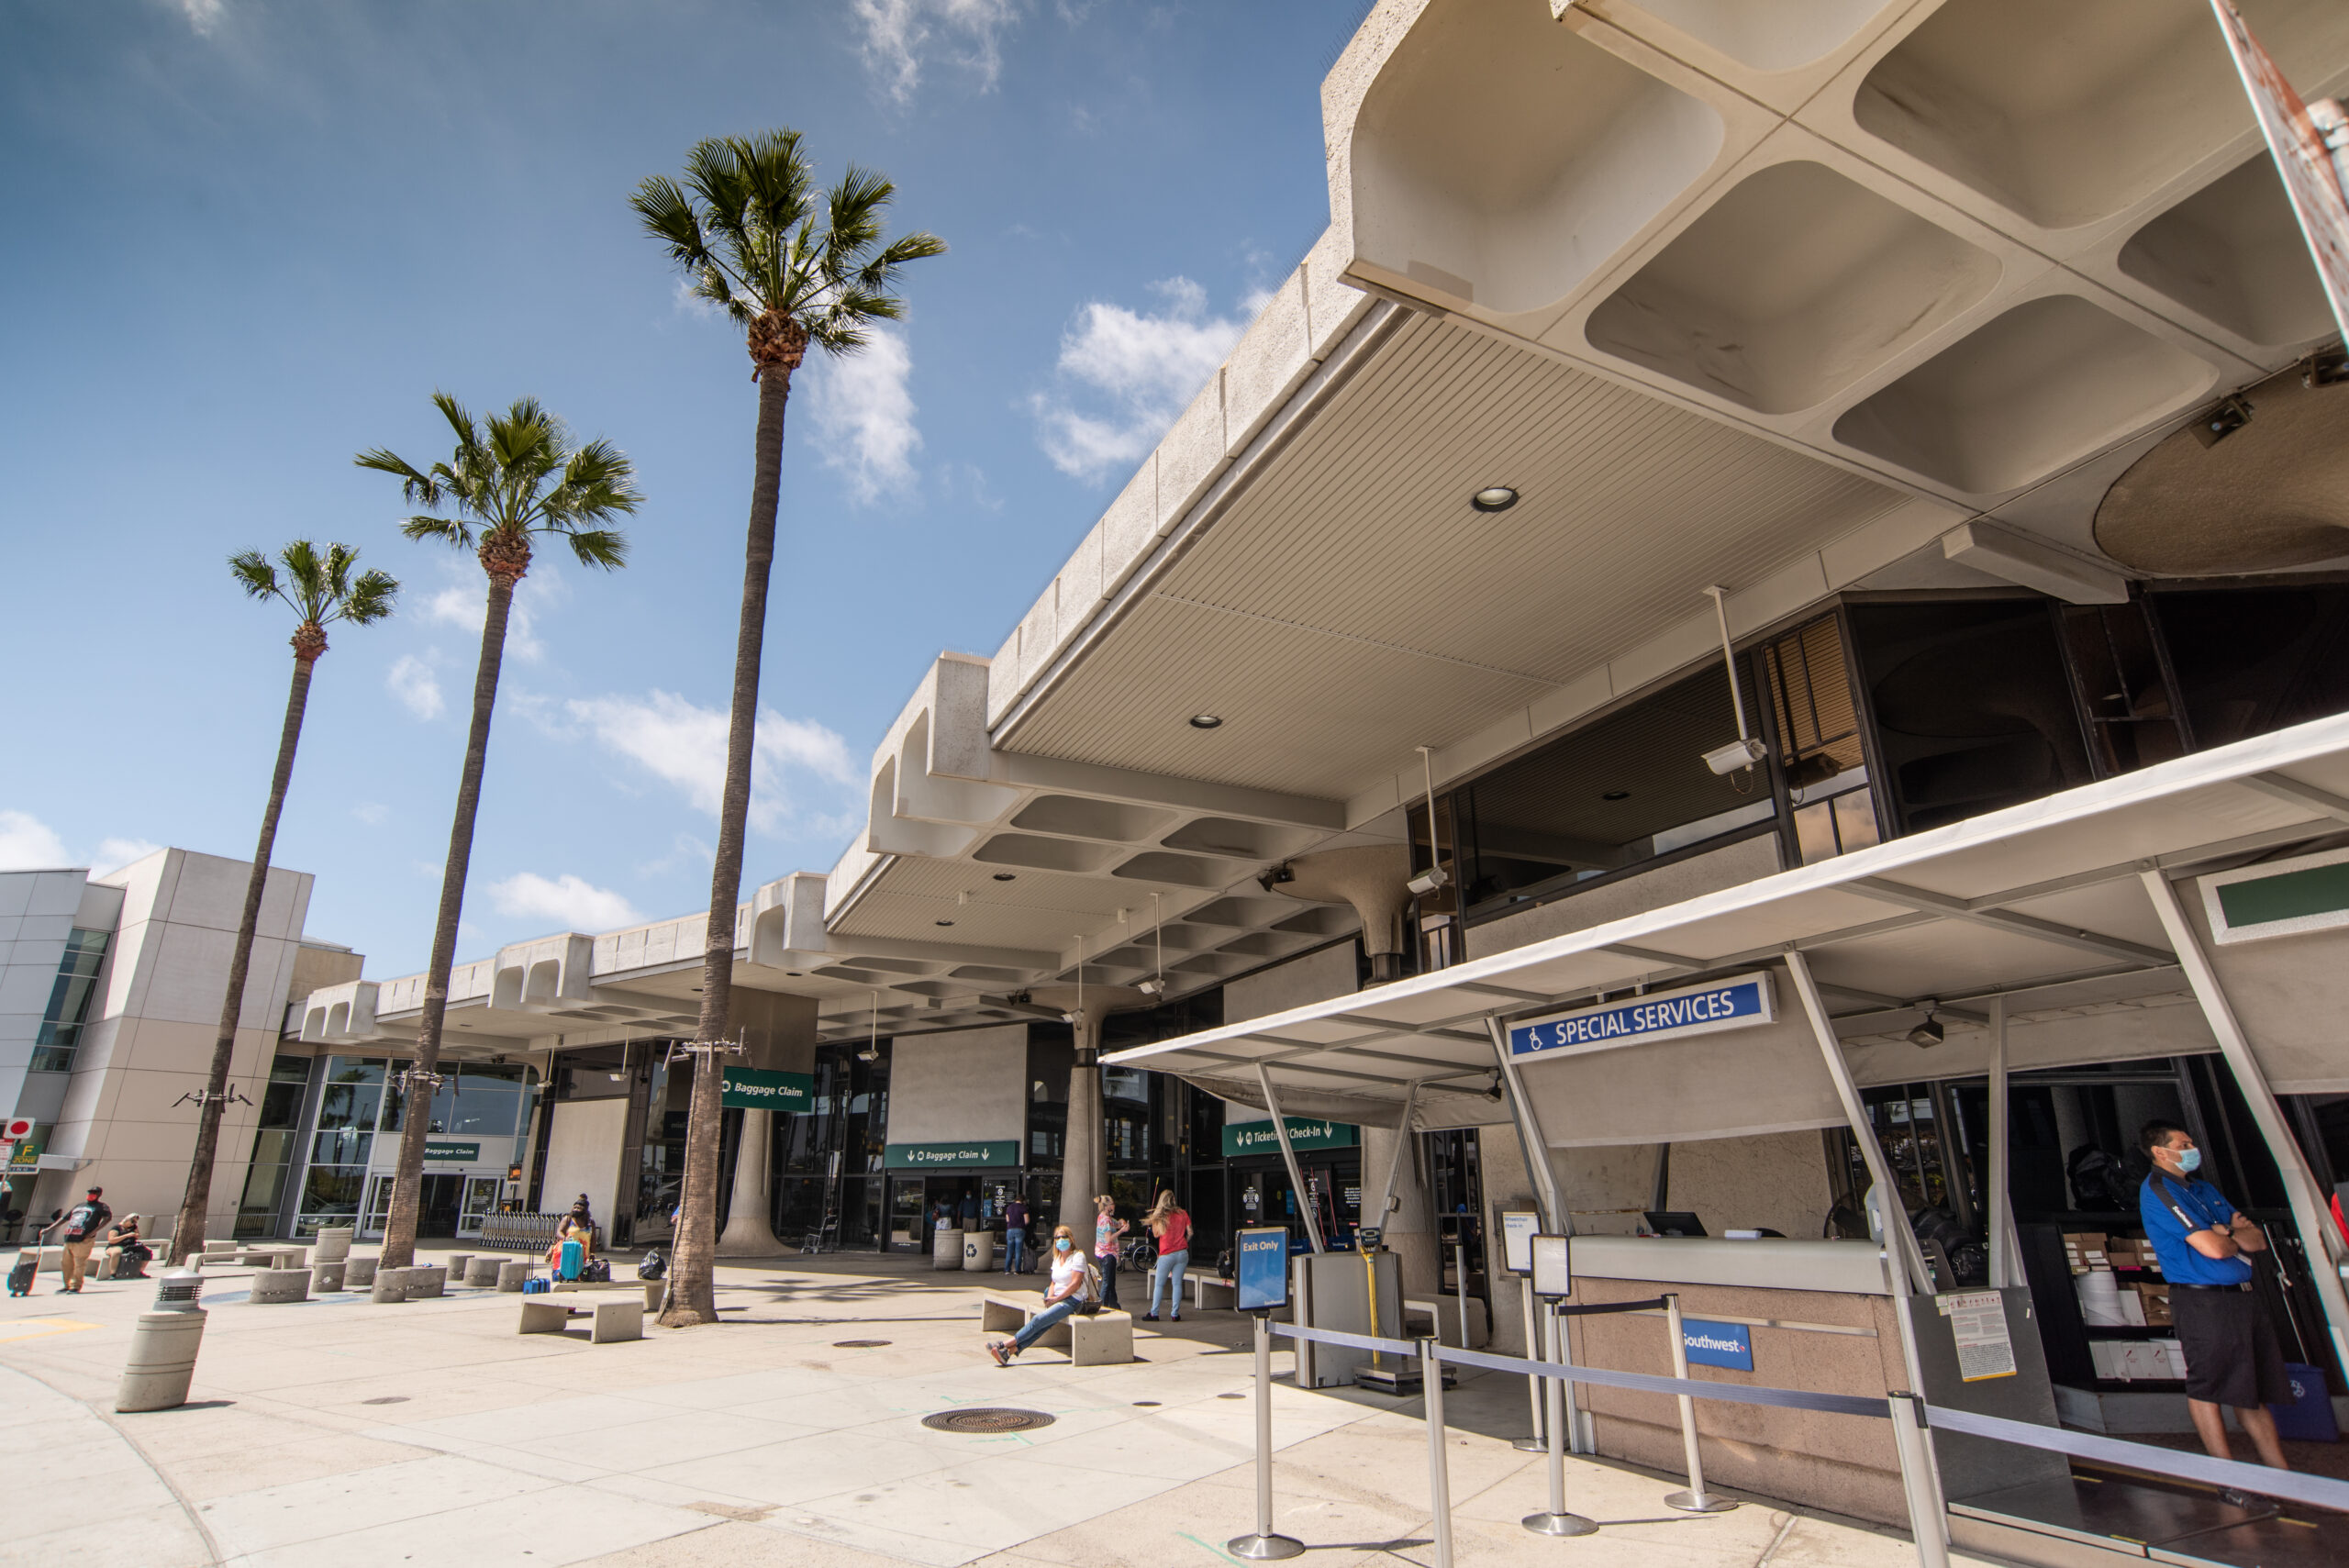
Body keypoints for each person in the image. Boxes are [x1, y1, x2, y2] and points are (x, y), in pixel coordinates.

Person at [2137, 1121, 2294, 1496]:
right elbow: (2214, 1248)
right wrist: (2223, 1234)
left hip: (2243, 1296)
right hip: (2203, 1301)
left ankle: (2284, 1478)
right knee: (2207, 1386)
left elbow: (2256, 1240)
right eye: (2183, 1144)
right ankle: (2227, 1480)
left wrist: (2227, 1232)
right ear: (2160, 1152)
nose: (2192, 1148)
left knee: (2251, 1389)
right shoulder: (2160, 1189)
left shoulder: (2203, 1189)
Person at [987, 1225, 1094, 1365]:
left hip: (1073, 1300)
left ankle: (1003, 1345)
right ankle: (1008, 1353)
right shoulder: (1057, 1258)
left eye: (1063, 1237)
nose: (1060, 1240)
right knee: (1043, 1325)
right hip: (1056, 1298)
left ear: (1071, 1239)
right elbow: (1053, 1282)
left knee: (1038, 1320)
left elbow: (1075, 1284)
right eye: (1057, 1238)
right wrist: (1049, 1298)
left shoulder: (1078, 1256)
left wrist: (1056, 1299)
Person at [43, 1185, 111, 1294]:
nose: (91, 1194)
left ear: (99, 1194)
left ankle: (75, 1286)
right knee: (66, 1263)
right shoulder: (79, 1206)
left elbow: (107, 1218)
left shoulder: (101, 1206)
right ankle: (67, 1285)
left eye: (94, 1193)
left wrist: (93, 1232)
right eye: (90, 1192)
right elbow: (64, 1218)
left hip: (84, 1239)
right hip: (70, 1238)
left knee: (79, 1263)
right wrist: (49, 1228)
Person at [1143, 1192, 1189, 1323]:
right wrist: (1184, 1242)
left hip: (1166, 1254)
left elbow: (1156, 1235)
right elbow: (1190, 1231)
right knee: (1177, 1284)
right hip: (1182, 1253)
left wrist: (1153, 1222)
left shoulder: (1160, 1217)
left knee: (1159, 1284)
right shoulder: (1183, 1213)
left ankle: (1154, 1313)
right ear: (1173, 1200)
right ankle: (1175, 1314)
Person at [1094, 1194, 1130, 1311]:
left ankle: (1114, 1305)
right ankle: (1102, 1306)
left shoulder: (1104, 1217)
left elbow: (1117, 1223)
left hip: (1103, 1253)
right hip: (1107, 1254)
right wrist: (1122, 1231)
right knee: (1107, 1282)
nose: (1114, 1206)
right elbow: (1109, 1238)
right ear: (1107, 1206)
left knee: (1110, 1281)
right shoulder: (1105, 1220)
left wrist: (1121, 1223)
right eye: (1112, 1204)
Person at [101, 1213, 149, 1279]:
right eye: (132, 1221)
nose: (133, 1224)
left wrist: (136, 1235)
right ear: (127, 1220)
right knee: (117, 1252)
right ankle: (113, 1273)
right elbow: (111, 1240)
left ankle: (140, 1271)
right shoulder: (116, 1228)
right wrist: (126, 1235)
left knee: (147, 1251)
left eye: (135, 1222)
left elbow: (137, 1235)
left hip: (129, 1245)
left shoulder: (134, 1227)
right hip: (116, 1245)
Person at [1002, 1193, 1030, 1275]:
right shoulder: (1023, 1208)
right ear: (1023, 1201)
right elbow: (1027, 1221)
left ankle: (1007, 1269)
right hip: (1020, 1230)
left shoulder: (1009, 1207)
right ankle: (1017, 1270)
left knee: (1009, 1251)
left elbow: (1007, 1220)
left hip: (1010, 1230)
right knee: (1018, 1251)